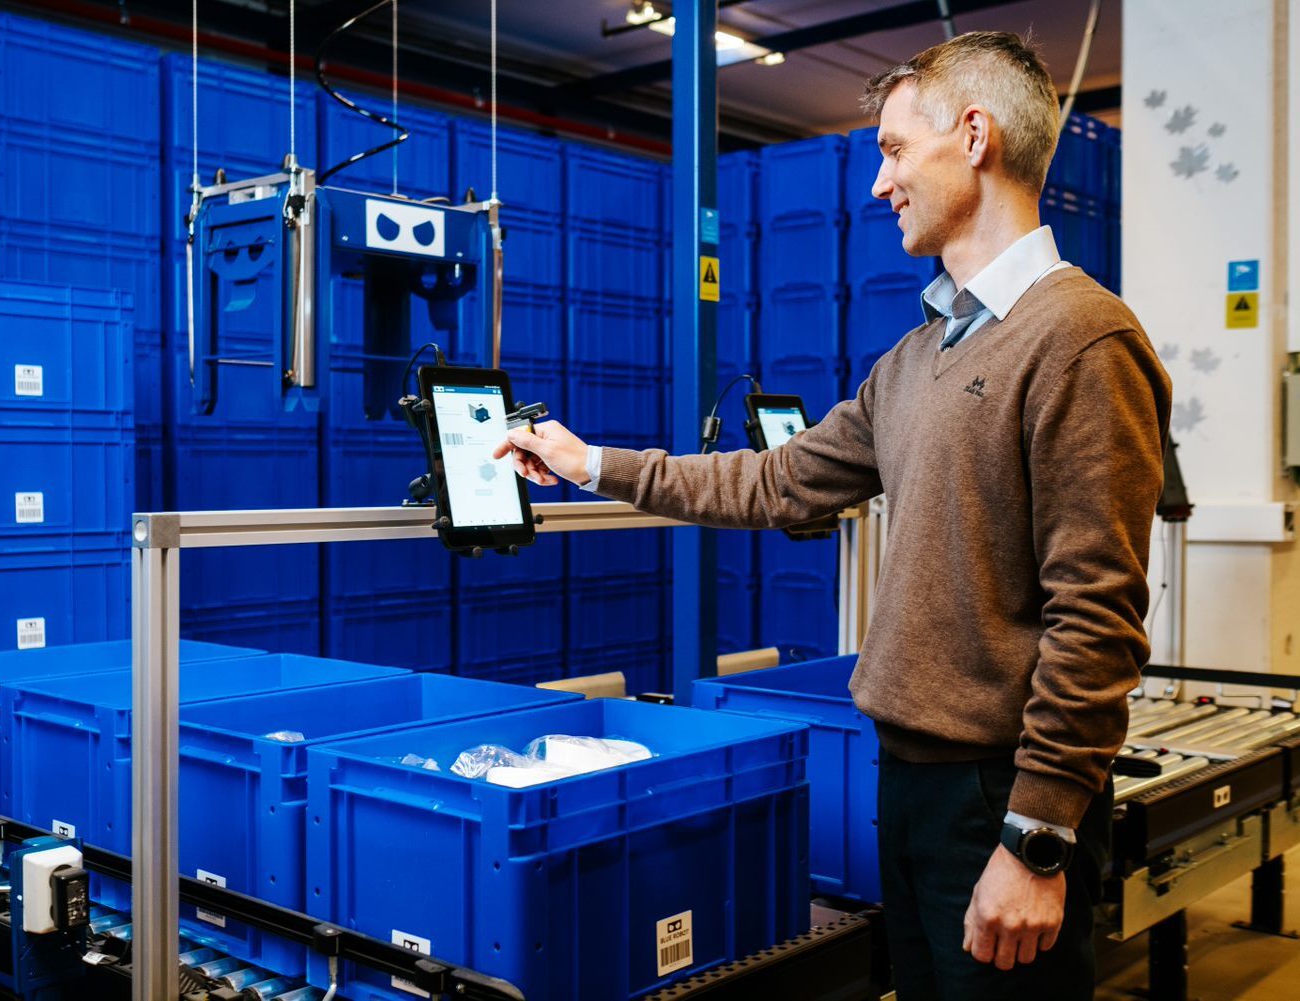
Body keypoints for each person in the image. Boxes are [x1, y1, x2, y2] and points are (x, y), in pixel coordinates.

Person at [495, 31, 1170, 1001]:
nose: (875, 181)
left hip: (999, 793)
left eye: (893, 148)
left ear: (972, 135)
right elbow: (772, 480)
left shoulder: (1080, 340)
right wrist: (589, 461)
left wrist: (1036, 834)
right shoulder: (910, 359)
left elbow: (1097, 616)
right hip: (906, 781)